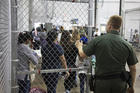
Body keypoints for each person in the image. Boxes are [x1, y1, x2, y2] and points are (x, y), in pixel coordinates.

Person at [76, 15, 138, 93]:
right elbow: (133, 68)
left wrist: (79, 46)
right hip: (119, 83)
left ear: (109, 26)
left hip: (102, 83)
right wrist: (131, 85)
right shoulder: (127, 45)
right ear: (119, 27)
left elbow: (82, 55)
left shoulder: (98, 40)